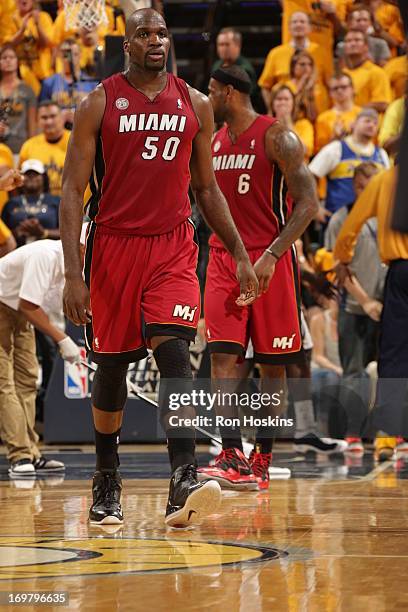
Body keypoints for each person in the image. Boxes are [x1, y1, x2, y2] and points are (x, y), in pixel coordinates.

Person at [60, 8, 258, 528]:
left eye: (162, 33)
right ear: (127, 44)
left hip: (172, 246)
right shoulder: (98, 102)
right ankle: (107, 475)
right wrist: (74, 274)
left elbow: (208, 188)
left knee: (175, 353)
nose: (155, 41)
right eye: (144, 34)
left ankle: (183, 478)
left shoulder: (194, 104)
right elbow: (70, 193)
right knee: (112, 368)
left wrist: (239, 253)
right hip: (111, 248)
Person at [197, 64, 319, 491]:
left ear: (229, 93)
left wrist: (272, 253)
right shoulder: (210, 142)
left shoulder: (277, 136)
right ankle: (231, 455)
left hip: (270, 260)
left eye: (211, 91)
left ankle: (261, 460)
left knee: (273, 365)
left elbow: (308, 204)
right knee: (222, 359)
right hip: (223, 258)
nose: (206, 98)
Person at [334, 165, 408, 460]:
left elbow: (353, 222)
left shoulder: (386, 178)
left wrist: (342, 257)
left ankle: (387, 437)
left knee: (393, 355)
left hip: (401, 271)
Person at [0, 229, 84, 477]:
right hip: (4, 305)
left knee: (27, 379)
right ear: (79, 247)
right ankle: (19, 456)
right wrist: (62, 339)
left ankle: (32, 453)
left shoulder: (68, 271)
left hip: (17, 310)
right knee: (5, 384)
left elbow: (41, 308)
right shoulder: (45, 255)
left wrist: (66, 340)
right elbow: (29, 305)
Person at [325, 162, 385, 451]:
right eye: (363, 186)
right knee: (354, 372)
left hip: (388, 304)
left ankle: (390, 432)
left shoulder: (387, 216)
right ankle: (352, 433)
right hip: (355, 306)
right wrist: (366, 300)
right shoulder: (342, 218)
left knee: (392, 370)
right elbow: (339, 268)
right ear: (356, 187)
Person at [309, 108, 389, 217]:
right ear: (353, 124)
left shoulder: (381, 154)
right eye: (367, 121)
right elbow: (310, 176)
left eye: (375, 123)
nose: (371, 125)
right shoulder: (337, 148)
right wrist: (316, 207)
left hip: (374, 221)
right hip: (339, 219)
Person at [258, 11, 332, 111]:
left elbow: (330, 84)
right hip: (286, 112)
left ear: (310, 28)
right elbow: (265, 86)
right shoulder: (276, 53)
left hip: (318, 112)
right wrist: (272, 110)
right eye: (295, 22)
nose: (298, 24)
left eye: (302, 22)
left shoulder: (321, 51)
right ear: (288, 28)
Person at [39, 40, 99, 128]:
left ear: (80, 55)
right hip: (58, 133)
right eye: (66, 55)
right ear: (60, 56)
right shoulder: (49, 83)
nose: (70, 59)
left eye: (74, 54)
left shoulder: (92, 84)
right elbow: (43, 112)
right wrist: (60, 116)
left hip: (83, 131)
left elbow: (97, 114)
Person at [2, 159, 60, 247]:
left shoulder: (56, 201)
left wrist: (44, 232)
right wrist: (16, 233)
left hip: (48, 253)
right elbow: (2, 234)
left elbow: (68, 232)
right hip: (17, 252)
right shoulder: (11, 203)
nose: (31, 177)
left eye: (36, 174)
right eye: (27, 174)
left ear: (44, 177)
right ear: (21, 178)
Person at [19, 101, 70, 196]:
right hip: (39, 205)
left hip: (71, 201)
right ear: (37, 121)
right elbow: (20, 181)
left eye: (53, 116)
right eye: (44, 118)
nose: (49, 121)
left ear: (62, 118)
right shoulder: (29, 146)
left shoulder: (76, 142)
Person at [3, 0, 54, 95]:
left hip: (44, 73)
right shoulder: (9, 19)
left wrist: (38, 24)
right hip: (22, 75)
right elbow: (7, 46)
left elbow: (46, 44)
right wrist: (21, 31)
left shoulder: (43, 17)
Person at [341, 29, 392, 112]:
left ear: (366, 47)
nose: (352, 44)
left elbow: (383, 104)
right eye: (348, 41)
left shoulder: (376, 72)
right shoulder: (342, 74)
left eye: (357, 40)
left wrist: (354, 110)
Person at [0, 44, 37, 156]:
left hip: (20, 149)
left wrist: (31, 151)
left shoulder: (27, 90)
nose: (8, 60)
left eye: (12, 57)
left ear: (17, 62)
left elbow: (32, 126)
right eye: (4, 58)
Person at [315, 73, 361, 152]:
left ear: (352, 89)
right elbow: (320, 152)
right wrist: (335, 137)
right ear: (330, 93)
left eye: (344, 87)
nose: (339, 91)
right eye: (335, 88)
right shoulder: (322, 118)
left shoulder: (362, 114)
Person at [270, 85, 314, 160]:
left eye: (286, 99)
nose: (283, 102)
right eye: (279, 99)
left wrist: (288, 123)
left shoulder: (304, 124)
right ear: (272, 104)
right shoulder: (266, 125)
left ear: (293, 103)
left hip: (298, 167)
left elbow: (304, 150)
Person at [283, 50, 329, 121]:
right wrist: (300, 87)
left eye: (310, 64)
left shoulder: (319, 89)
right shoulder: (284, 87)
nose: (307, 68)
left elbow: (316, 117)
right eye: (302, 64)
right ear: (293, 67)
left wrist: (310, 93)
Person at [211, 28, 257, 94]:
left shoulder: (245, 70)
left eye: (227, 44)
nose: (223, 48)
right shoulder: (216, 65)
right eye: (220, 45)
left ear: (238, 45)